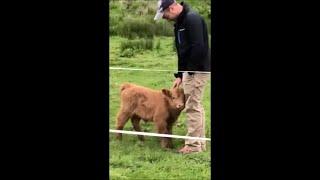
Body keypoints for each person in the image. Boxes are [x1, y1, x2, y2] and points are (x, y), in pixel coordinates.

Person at [154, 0, 211, 154]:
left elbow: (199, 47)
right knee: (195, 105)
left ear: (171, 8)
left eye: (164, 14)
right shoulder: (180, 22)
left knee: (192, 106)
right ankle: (199, 143)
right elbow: (182, 51)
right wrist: (180, 74)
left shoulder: (192, 19)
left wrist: (190, 71)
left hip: (197, 71)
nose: (164, 18)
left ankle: (193, 146)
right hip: (189, 71)